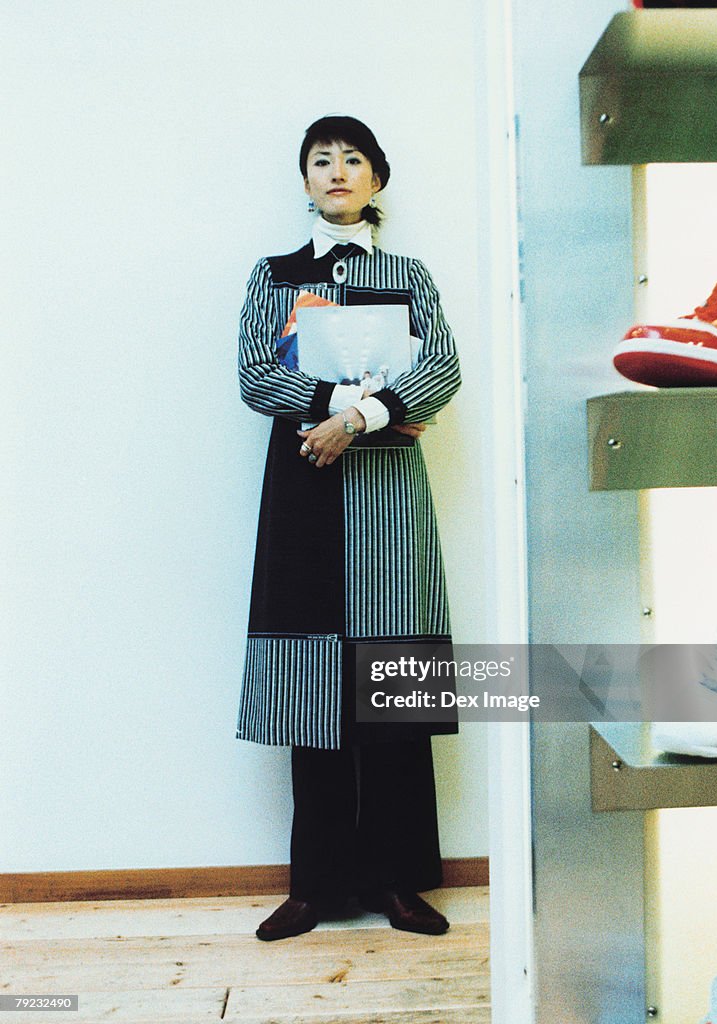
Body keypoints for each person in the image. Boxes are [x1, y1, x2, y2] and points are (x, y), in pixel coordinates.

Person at [235, 115, 461, 941]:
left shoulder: (407, 273)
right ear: (304, 180)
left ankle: (399, 881)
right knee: (311, 689)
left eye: (353, 158)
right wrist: (337, 411)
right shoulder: (276, 274)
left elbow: (442, 367)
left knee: (393, 689)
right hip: (306, 492)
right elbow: (257, 372)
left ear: (376, 178)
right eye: (321, 159)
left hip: (388, 504)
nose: (337, 170)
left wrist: (363, 416)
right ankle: (315, 885)